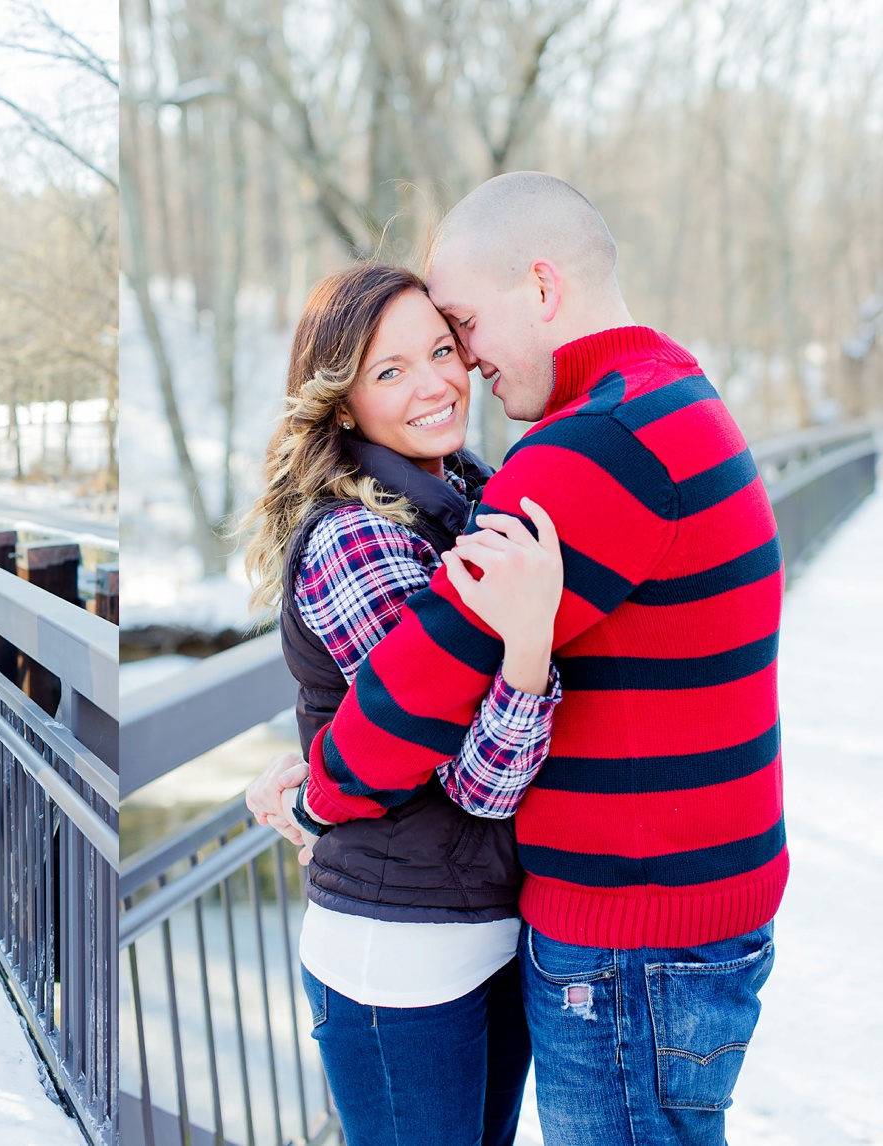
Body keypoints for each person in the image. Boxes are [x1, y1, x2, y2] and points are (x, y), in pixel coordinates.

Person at [294, 172, 785, 1146]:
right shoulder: (670, 394)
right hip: (685, 907)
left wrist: (316, 792)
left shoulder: (591, 449)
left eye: (462, 328)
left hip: (630, 933)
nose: (465, 364)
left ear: (544, 289)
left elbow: (421, 677)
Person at [241, 263, 565, 1146]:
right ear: (342, 403)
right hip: (402, 954)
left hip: (482, 926)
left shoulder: (464, 493)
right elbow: (476, 782)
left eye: (441, 349)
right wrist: (529, 644)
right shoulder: (357, 539)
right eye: (391, 371)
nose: (436, 382)